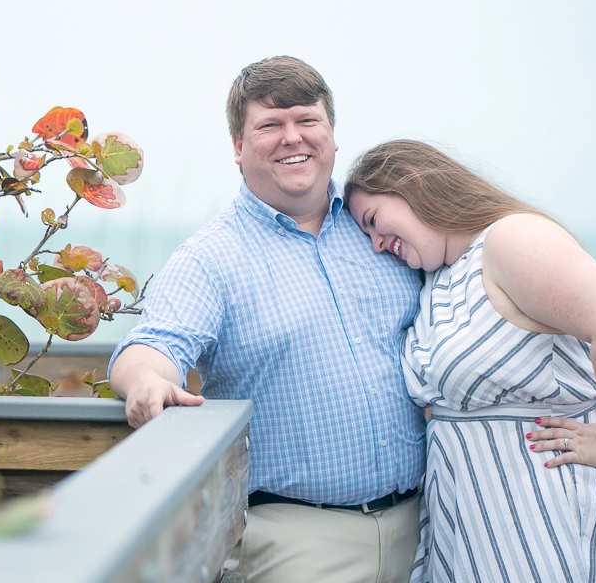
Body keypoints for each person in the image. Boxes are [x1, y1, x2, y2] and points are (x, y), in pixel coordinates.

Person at [108, 58, 426, 583]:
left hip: (428, 524)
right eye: (269, 126)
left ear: (332, 134)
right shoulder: (210, 258)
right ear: (237, 146)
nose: (291, 138)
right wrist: (146, 382)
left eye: (307, 120)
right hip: (297, 543)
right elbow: (153, 345)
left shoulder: (384, 228)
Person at [345, 140, 596, 583]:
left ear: (413, 185)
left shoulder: (508, 239)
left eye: (373, 221)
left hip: (546, 510)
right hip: (479, 522)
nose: (378, 244)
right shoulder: (441, 277)